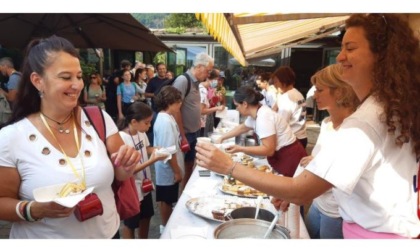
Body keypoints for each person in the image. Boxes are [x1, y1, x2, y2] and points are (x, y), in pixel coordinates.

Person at [196, 13, 420, 239]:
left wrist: (228, 167)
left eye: (350, 48)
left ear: (382, 56)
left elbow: (301, 191)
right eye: (341, 48)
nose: (340, 57)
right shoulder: (389, 108)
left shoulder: (364, 123)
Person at [0, 35, 140, 238]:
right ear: (38, 81)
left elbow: (120, 173)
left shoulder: (98, 118)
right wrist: (32, 210)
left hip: (107, 235)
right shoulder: (10, 137)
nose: (77, 85)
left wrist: (127, 165)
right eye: (66, 77)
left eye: (79, 76)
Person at [299, 63, 359, 239]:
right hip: (318, 203)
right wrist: (314, 160)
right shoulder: (326, 124)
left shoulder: (353, 130)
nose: (314, 95)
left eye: (319, 90)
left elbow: (343, 175)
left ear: (339, 91)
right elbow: (318, 157)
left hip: (336, 211)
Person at [215, 86, 307, 177]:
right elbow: (242, 128)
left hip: (289, 159)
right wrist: (222, 137)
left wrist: (240, 149)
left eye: (237, 106)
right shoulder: (257, 112)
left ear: (245, 104)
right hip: (283, 156)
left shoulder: (263, 117)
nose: (236, 109)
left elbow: (268, 149)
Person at [117, 102, 167, 239]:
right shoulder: (121, 138)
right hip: (132, 188)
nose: (149, 126)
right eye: (146, 123)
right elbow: (127, 171)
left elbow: (146, 149)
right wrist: (152, 161)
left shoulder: (140, 133)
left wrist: (157, 149)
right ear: (133, 121)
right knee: (130, 224)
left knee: (146, 216)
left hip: (145, 184)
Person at [172, 52, 214, 190]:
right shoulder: (183, 81)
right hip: (185, 134)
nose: (208, 75)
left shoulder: (196, 82)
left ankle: (185, 192)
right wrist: (182, 134)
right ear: (200, 67)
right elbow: (175, 109)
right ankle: (179, 198)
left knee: (190, 164)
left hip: (193, 132)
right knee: (181, 167)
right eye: (208, 71)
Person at [153, 85, 184, 234]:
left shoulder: (168, 117)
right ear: (169, 102)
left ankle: (167, 225)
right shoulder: (165, 121)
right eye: (178, 102)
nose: (180, 105)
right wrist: (177, 172)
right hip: (168, 169)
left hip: (170, 166)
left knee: (169, 197)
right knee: (166, 199)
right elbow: (168, 151)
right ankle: (165, 228)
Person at [272, 66, 308, 148]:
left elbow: (281, 123)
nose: (274, 85)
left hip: (292, 140)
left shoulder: (286, 97)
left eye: (276, 82)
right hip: (301, 137)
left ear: (283, 82)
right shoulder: (298, 93)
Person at [199, 69, 225, 137]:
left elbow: (206, 103)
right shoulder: (202, 90)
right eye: (217, 79)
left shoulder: (207, 89)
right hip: (200, 123)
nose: (217, 82)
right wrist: (217, 108)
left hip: (204, 121)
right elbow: (202, 111)